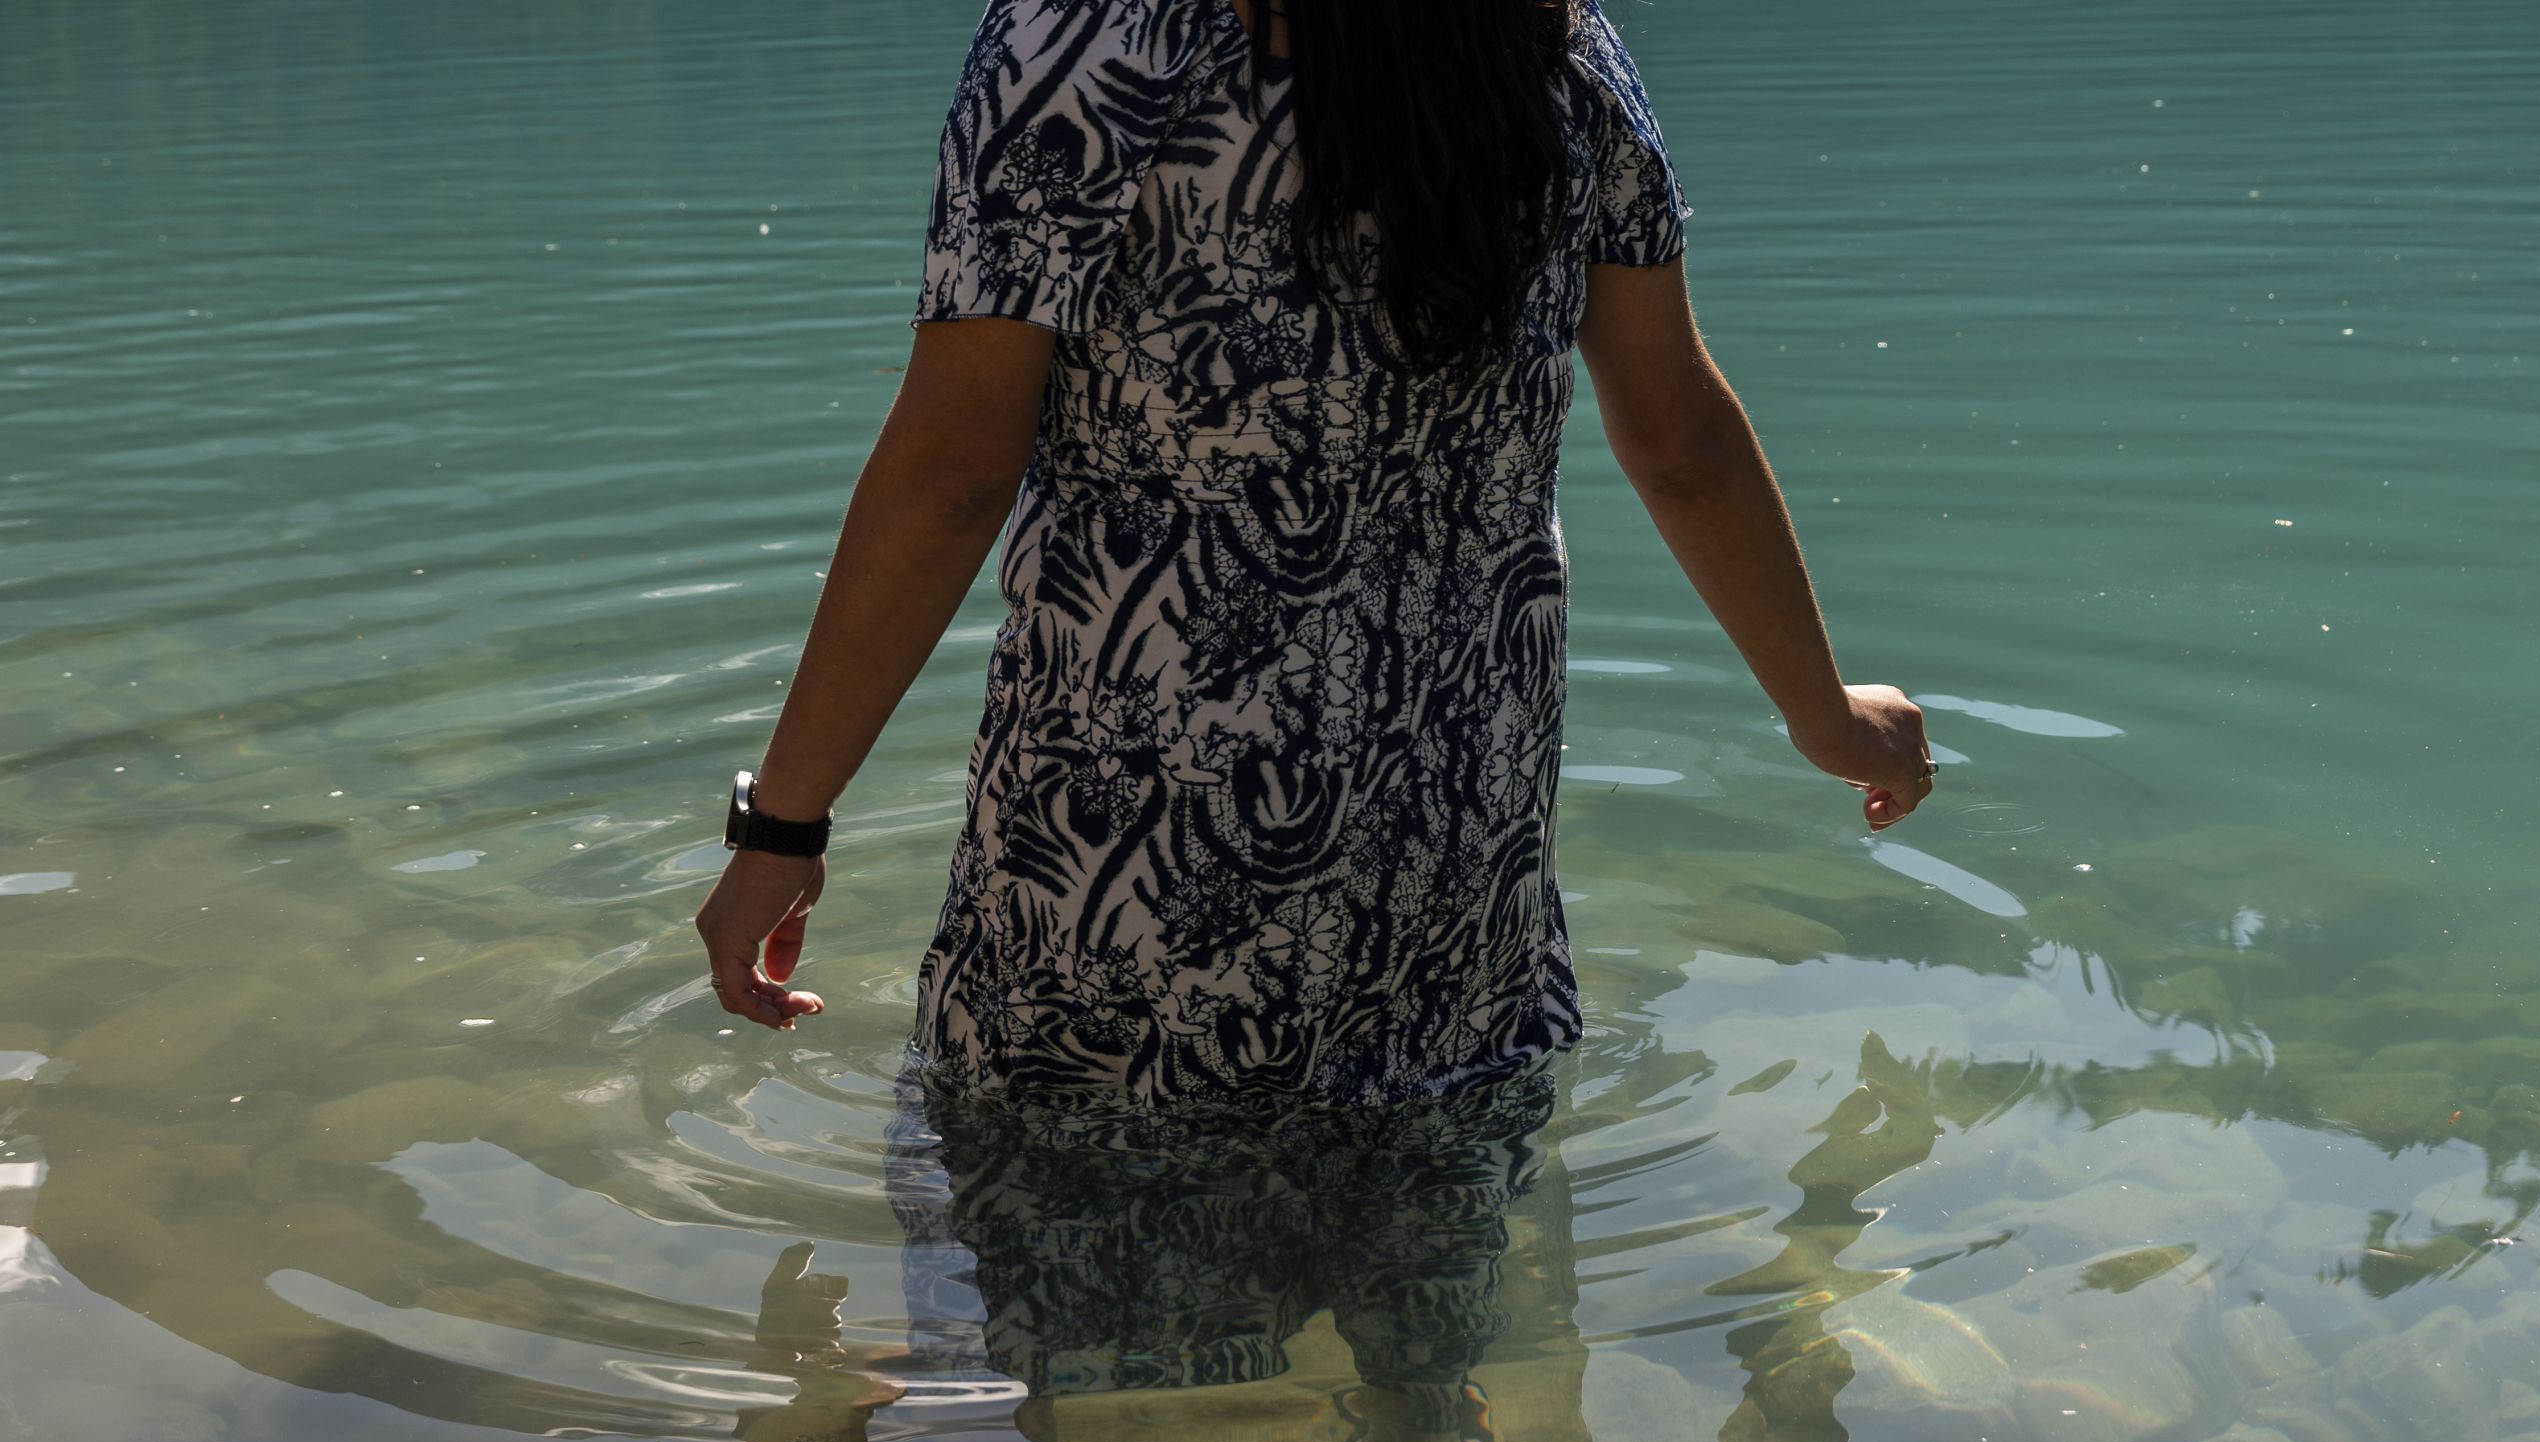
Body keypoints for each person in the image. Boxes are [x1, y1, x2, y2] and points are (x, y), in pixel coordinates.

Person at [695, 0, 1931, 1085]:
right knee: (1432, 1310)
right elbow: (1681, 447)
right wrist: (1825, 714)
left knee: (1054, 1295)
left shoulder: (1086, 43)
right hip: (1452, 860)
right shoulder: (1554, 53)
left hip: (1126, 868)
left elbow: (953, 474)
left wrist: (785, 825)